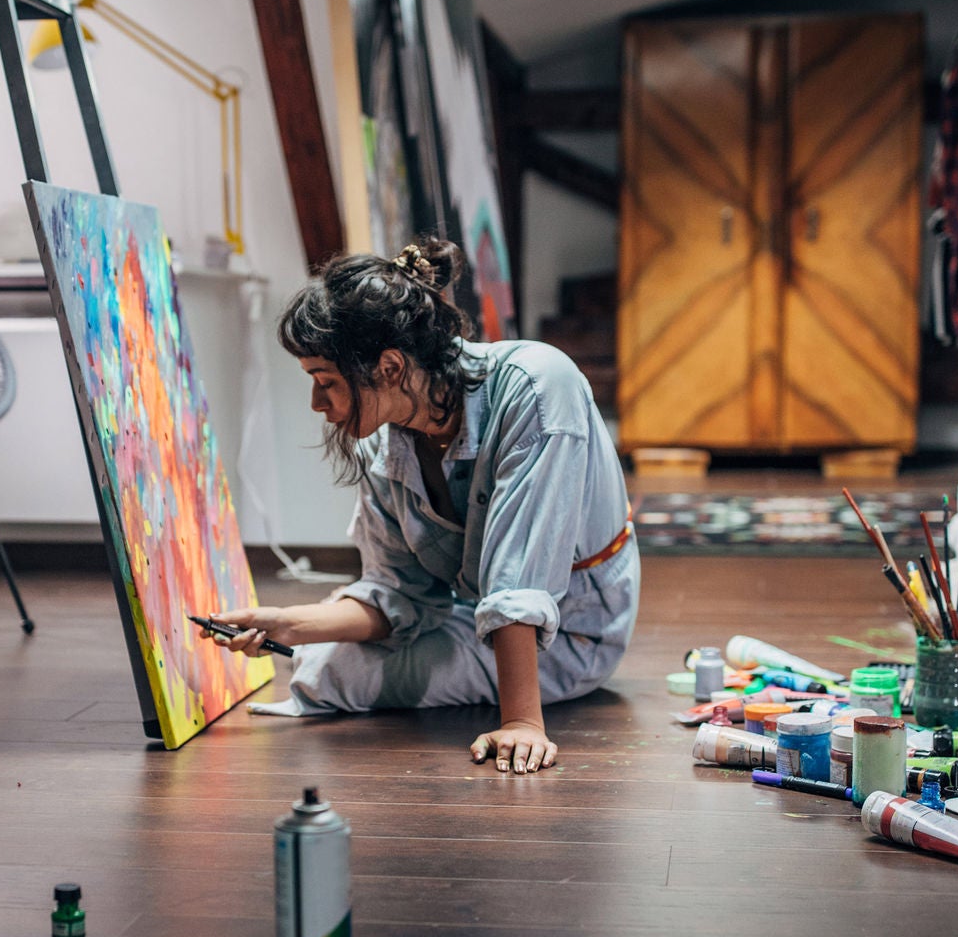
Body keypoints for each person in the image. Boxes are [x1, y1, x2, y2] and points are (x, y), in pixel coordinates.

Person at [206, 239, 639, 775]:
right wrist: (288, 622)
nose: (318, 406)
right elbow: (400, 593)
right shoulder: (383, 446)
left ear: (388, 367)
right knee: (320, 666)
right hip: (476, 615)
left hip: (570, 631)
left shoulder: (537, 387)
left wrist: (522, 723)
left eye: (326, 384)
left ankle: (523, 692)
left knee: (335, 678)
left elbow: (519, 580)